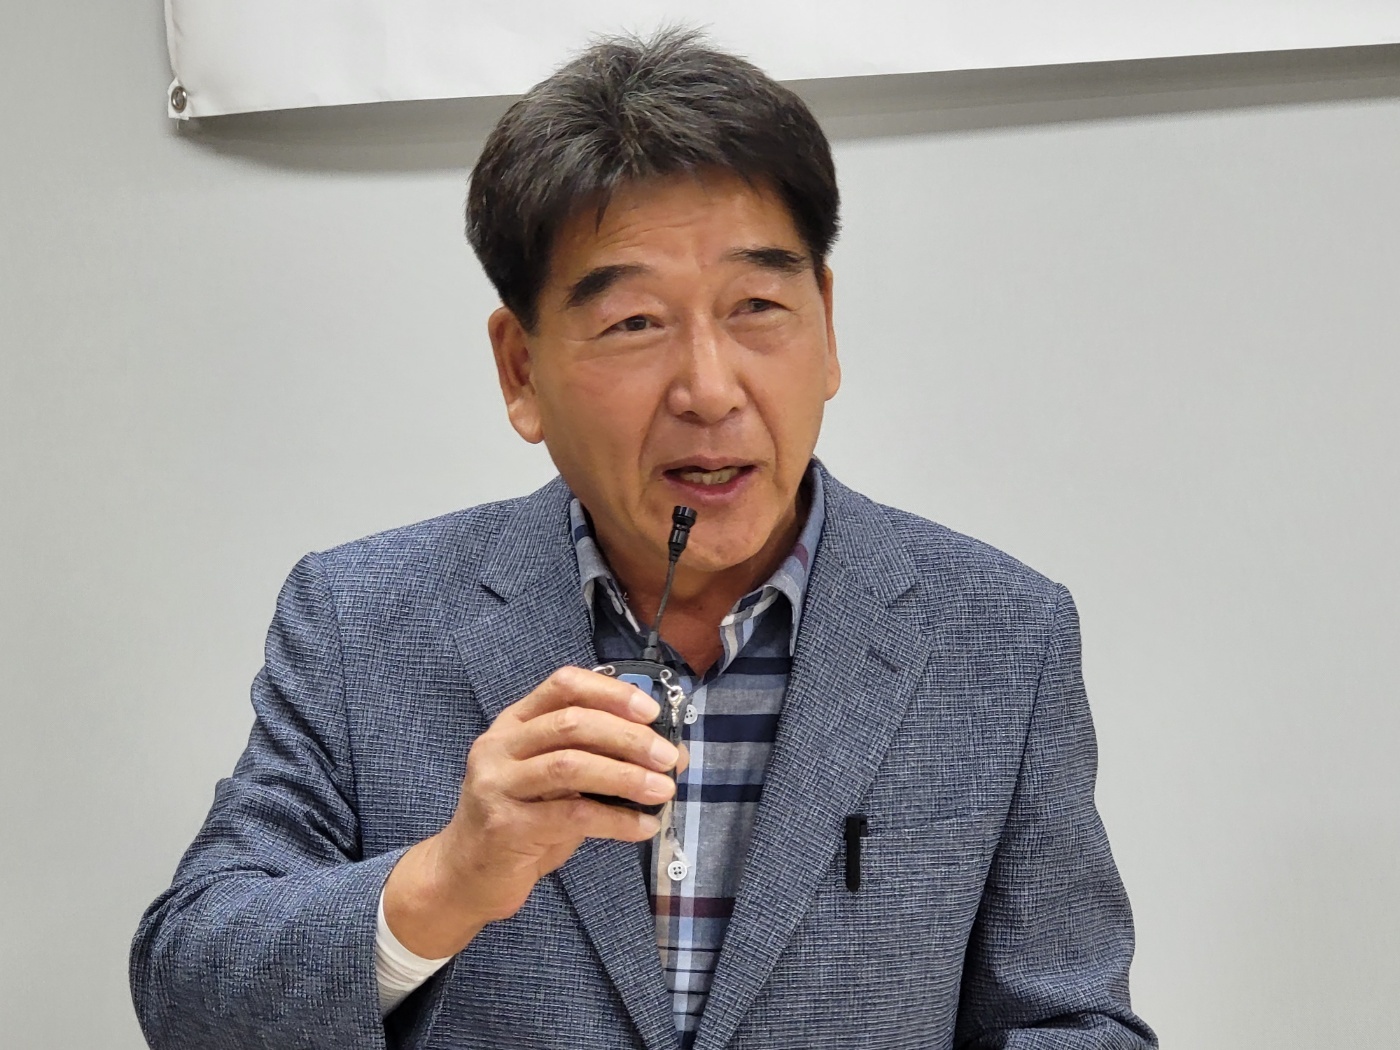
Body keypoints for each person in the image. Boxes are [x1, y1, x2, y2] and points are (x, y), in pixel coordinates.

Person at [130, 29, 1156, 1050]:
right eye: (633, 323)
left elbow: (1069, 1021)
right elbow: (187, 994)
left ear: (827, 326)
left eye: (758, 306)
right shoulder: (361, 621)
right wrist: (444, 880)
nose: (709, 390)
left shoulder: (1000, 636)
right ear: (521, 371)